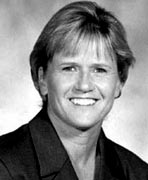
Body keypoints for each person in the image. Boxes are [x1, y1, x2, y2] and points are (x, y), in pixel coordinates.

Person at [0, 1, 148, 180]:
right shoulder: (5, 167)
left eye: (99, 70)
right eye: (69, 68)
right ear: (42, 78)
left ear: (119, 82)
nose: (84, 85)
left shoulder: (137, 173)